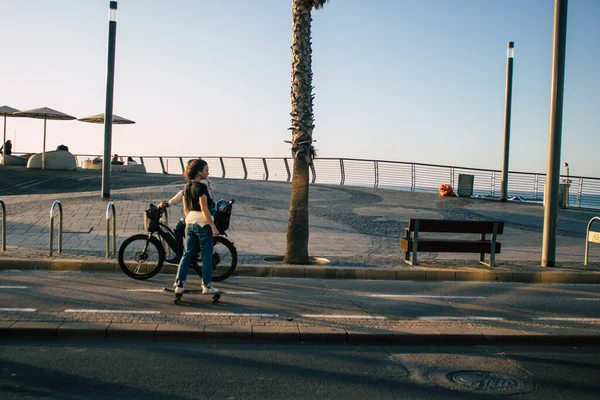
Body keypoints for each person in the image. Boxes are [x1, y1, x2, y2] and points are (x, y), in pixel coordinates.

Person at [174, 159, 220, 298]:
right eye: (206, 170)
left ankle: (179, 284)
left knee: (187, 253)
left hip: (190, 222)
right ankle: (206, 285)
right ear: (199, 172)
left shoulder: (186, 187)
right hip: (202, 223)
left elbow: (186, 207)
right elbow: (204, 208)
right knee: (206, 255)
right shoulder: (201, 187)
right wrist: (213, 226)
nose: (208, 172)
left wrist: (189, 220)